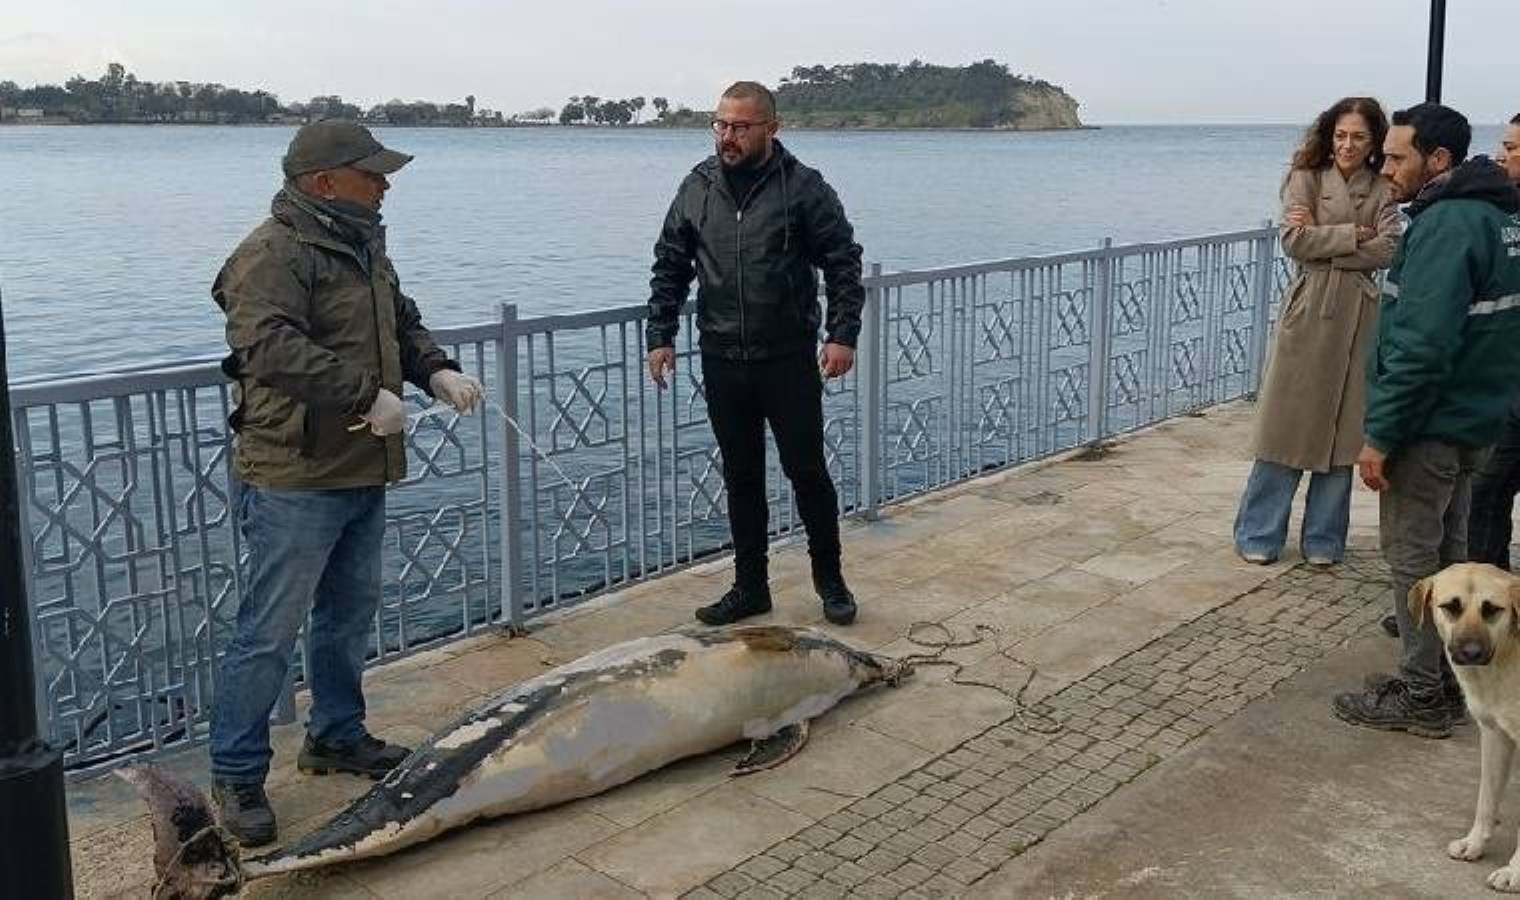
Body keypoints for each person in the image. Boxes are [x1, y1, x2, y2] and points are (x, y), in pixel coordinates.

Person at [209, 119, 484, 845]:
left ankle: (336, 734)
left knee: (347, 617)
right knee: (266, 632)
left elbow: (401, 321)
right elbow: (268, 347)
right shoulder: (270, 255)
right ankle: (236, 775)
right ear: (323, 183)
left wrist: (434, 370)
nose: (386, 184)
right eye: (372, 174)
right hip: (295, 474)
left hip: (363, 466)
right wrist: (364, 395)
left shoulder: (364, 242)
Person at [1331, 103, 1520, 739]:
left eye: (1397, 156)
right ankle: (1442, 676)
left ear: (1438, 160)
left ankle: (1421, 697)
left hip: (1432, 425)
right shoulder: (1502, 219)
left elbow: (1421, 347)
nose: (1387, 169)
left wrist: (1381, 433)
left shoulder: (1447, 227)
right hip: (1477, 419)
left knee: (1413, 559)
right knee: (1453, 552)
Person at [646, 81, 864, 627]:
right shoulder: (696, 186)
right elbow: (670, 264)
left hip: (788, 359)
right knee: (740, 477)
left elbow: (843, 262)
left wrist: (842, 335)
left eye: (740, 127)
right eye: (720, 125)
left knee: (806, 472)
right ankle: (750, 588)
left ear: (772, 127)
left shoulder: (805, 188)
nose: (728, 136)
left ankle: (830, 579)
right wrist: (660, 334)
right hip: (722, 358)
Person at [1233, 97, 1399, 567]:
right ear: (1329, 135)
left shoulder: (1383, 187)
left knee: (1345, 431)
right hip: (1309, 310)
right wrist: (1355, 234)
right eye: (1341, 135)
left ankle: (1325, 539)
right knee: (1284, 425)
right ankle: (1259, 531)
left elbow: (1388, 249)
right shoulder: (1305, 178)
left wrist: (1329, 239)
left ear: (1374, 142)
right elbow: (1294, 242)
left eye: (1359, 137)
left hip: (1358, 314)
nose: (1347, 145)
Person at [1465, 113, 1520, 569]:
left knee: (1486, 487)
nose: (1503, 155)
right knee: (1486, 491)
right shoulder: (1505, 211)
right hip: (1506, 383)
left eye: (1514, 147)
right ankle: (1483, 596)